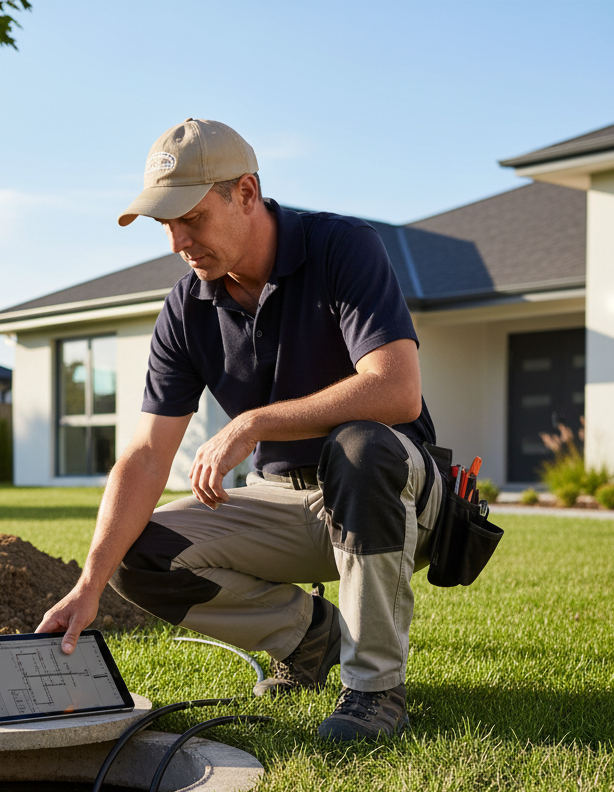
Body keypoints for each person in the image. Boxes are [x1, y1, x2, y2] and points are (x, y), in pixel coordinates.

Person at [35, 118, 443, 740]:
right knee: (135, 554)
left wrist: (256, 422)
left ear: (246, 194)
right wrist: (89, 584)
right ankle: (308, 636)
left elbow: (396, 388)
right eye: (164, 224)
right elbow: (146, 456)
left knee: (360, 448)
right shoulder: (185, 308)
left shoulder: (342, 248)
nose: (177, 241)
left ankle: (375, 690)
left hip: (396, 491)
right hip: (284, 501)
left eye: (190, 218)